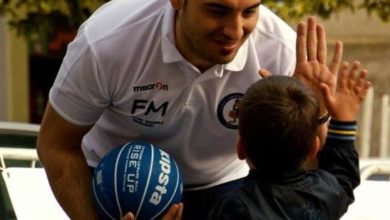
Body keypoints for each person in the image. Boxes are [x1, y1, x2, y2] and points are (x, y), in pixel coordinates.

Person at [36, 0, 341, 219]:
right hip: (120, 180)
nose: (235, 31)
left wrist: (315, 114)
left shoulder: (283, 52)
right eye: (217, 10)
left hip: (226, 187)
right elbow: (57, 145)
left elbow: (308, 166)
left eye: (249, 11)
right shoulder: (107, 40)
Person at [207, 60, 371, 219]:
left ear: (240, 148)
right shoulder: (327, 194)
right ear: (314, 147)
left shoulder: (235, 208)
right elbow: (344, 174)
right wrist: (344, 120)